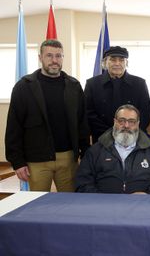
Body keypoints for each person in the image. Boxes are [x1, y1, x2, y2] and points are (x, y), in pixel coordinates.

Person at [5, 39, 90, 192]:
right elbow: (14, 126)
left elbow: (82, 123)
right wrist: (17, 162)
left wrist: (85, 154)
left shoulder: (74, 86)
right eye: (49, 56)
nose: (54, 60)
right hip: (37, 160)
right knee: (37, 205)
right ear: (40, 58)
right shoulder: (24, 87)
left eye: (58, 56)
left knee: (69, 205)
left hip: (68, 158)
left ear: (63, 58)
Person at [76, 104, 150, 194]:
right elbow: (83, 182)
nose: (126, 126)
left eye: (131, 121)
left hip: (144, 205)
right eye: (122, 121)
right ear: (115, 121)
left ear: (138, 123)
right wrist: (102, 199)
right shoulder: (96, 150)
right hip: (105, 207)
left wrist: (149, 194)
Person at [85, 46, 150, 143]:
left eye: (121, 60)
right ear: (104, 63)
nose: (117, 63)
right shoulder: (92, 84)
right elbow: (88, 113)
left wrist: (128, 132)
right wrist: (109, 134)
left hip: (132, 139)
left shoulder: (139, 84)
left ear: (126, 63)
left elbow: (145, 114)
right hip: (102, 139)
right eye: (112, 60)